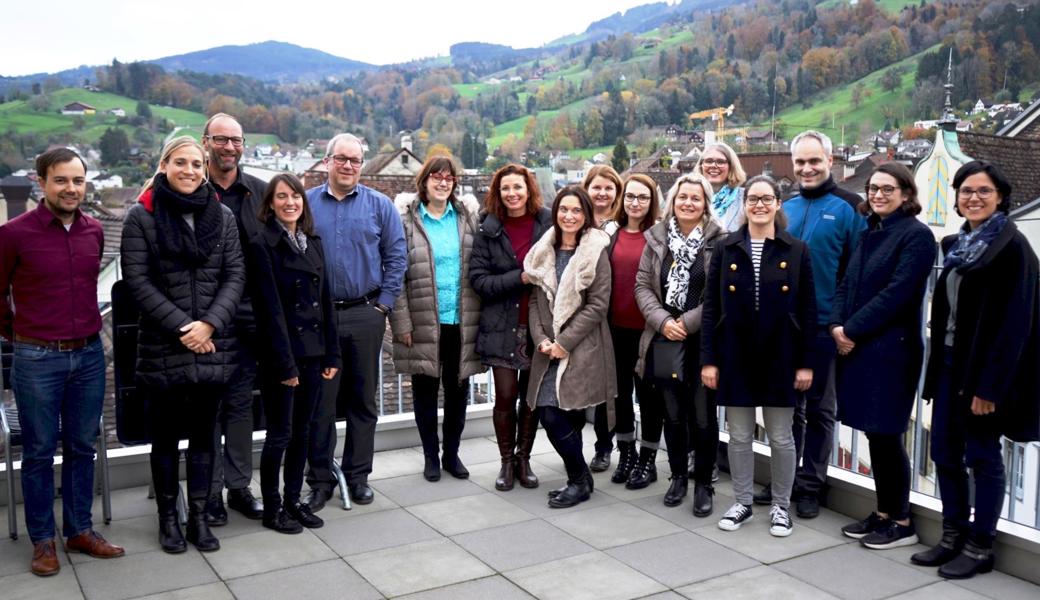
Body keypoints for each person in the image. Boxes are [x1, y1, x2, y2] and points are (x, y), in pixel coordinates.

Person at [0, 148, 125, 576]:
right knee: (37, 452)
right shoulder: (14, 233)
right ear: (41, 183)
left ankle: (79, 530)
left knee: (81, 446)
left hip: (89, 354)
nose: (71, 188)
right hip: (36, 358)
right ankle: (42, 541)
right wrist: (21, 334)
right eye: (61, 180)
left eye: (78, 180)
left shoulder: (93, 231)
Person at [912, 161, 1039, 579]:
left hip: (982, 373)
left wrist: (990, 388)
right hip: (949, 364)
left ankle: (980, 546)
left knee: (982, 456)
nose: (974, 198)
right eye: (966, 191)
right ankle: (951, 537)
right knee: (944, 451)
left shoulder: (1012, 248)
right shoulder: (958, 243)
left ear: (1000, 196)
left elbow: (1015, 327)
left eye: (983, 191)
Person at [121, 136, 246, 553]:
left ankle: (198, 517)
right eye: (181, 163)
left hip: (212, 345)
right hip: (164, 347)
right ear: (164, 165)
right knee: (165, 440)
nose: (190, 170)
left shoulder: (222, 216)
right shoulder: (142, 217)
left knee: (205, 438)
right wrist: (184, 327)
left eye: (196, 163)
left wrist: (209, 324)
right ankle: (168, 520)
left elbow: (235, 276)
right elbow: (138, 283)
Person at [701, 175, 816, 538]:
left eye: (767, 198)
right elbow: (710, 308)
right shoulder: (726, 247)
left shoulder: (796, 250)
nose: (760, 205)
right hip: (735, 353)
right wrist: (709, 359)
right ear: (745, 203)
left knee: (782, 436)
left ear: (779, 204)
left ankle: (781, 506)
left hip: (781, 354)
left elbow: (808, 310)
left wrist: (806, 362)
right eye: (753, 198)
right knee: (738, 435)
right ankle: (743, 502)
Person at [756, 130, 863, 517]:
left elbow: (854, 273)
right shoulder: (786, 206)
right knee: (785, 408)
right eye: (800, 162)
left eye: (814, 161)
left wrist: (841, 322)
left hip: (822, 326)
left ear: (830, 161)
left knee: (819, 409)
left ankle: (810, 486)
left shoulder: (851, 208)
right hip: (782, 328)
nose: (807, 168)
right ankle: (784, 478)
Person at [830, 163, 935, 549]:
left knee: (888, 433)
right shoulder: (871, 231)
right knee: (875, 433)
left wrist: (849, 330)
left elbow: (897, 294)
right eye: (873, 188)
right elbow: (846, 284)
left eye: (887, 189)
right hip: (861, 345)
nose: (877, 195)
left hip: (892, 349)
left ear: (906, 194)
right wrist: (836, 325)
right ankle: (885, 511)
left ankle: (903, 520)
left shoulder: (918, 237)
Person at [304, 133, 407, 510]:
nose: (348, 166)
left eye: (355, 160)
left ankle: (359, 475)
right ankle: (319, 479)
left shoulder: (381, 206)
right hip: (320, 318)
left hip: (366, 314)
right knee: (321, 404)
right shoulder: (307, 204)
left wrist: (383, 306)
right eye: (341, 159)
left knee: (364, 400)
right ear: (327, 160)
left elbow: (397, 257)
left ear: (362, 166)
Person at [248, 174, 341, 533]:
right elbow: (269, 311)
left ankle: (292, 501)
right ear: (270, 203)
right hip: (283, 357)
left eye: (296, 196)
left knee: (304, 431)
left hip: (315, 353)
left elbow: (326, 303)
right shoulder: (262, 244)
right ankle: (272, 507)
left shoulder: (313, 242)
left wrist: (333, 355)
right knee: (280, 434)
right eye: (282, 197)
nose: (290, 202)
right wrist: (285, 364)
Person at [634, 172, 724, 515]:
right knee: (671, 415)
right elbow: (642, 285)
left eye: (695, 198)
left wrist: (684, 323)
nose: (688, 203)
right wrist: (663, 321)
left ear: (705, 204)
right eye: (683, 197)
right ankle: (677, 478)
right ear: (673, 201)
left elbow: (718, 294)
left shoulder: (720, 241)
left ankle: (703, 484)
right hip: (664, 337)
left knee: (702, 417)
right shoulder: (656, 238)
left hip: (702, 339)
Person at [390, 155, 482, 482]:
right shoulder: (407, 221)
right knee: (425, 394)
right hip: (423, 322)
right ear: (424, 181)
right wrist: (401, 324)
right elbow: (395, 275)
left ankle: (452, 455)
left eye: (449, 178)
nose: (443, 183)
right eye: (436, 177)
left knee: (458, 393)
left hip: (461, 321)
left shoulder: (467, 219)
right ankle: (430, 456)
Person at [525, 186, 616, 508]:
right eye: (564, 209)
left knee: (563, 414)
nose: (569, 215)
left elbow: (598, 306)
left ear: (585, 215)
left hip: (583, 347)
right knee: (550, 412)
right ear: (556, 212)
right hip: (548, 350)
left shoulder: (595, 251)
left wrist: (564, 342)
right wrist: (542, 339)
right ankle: (580, 478)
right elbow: (535, 302)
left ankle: (578, 480)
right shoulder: (543, 251)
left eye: (577, 210)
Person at [201, 113, 268, 524]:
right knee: (208, 408)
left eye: (236, 141)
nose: (229, 148)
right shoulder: (189, 189)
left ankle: (239, 486)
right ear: (205, 142)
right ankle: (208, 492)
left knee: (241, 406)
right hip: (204, 324)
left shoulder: (259, 193)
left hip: (248, 322)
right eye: (221, 140)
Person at [471, 164, 551, 492]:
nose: (512, 194)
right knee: (506, 395)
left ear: (528, 189)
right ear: (497, 193)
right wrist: (517, 278)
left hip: (536, 326)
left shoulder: (547, 222)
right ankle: (505, 461)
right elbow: (479, 280)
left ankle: (524, 459)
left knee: (530, 398)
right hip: (501, 326)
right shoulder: (488, 229)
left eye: (518, 187)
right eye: (505, 188)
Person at [606, 174, 662, 486]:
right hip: (614, 329)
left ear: (651, 201)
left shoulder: (658, 236)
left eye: (642, 197)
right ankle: (625, 453)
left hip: (648, 331)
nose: (635, 202)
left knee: (649, 396)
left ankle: (648, 459)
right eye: (630, 196)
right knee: (620, 396)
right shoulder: (610, 234)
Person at [583, 164, 623, 471]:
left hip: (615, 315)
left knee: (611, 386)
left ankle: (604, 445)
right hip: (581, 315)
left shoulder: (622, 226)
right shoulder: (576, 220)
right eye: (597, 186)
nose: (602, 192)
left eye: (609, 188)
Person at [695, 141, 747, 232]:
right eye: (709, 161)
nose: (714, 166)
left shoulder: (745, 199)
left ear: (731, 167)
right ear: (701, 166)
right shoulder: (691, 198)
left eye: (720, 162)